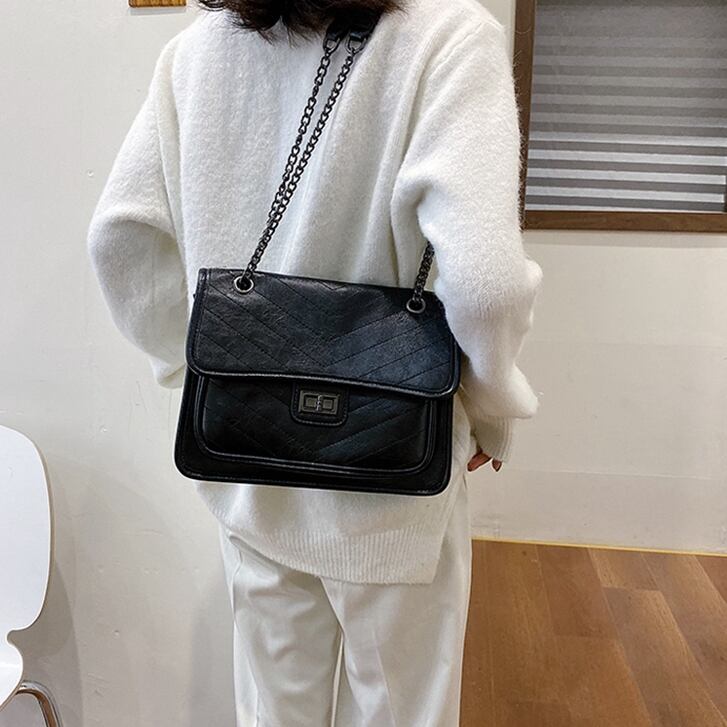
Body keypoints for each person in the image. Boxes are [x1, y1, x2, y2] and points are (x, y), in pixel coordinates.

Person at [86, 0, 543, 723]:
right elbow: (486, 287)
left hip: (250, 468)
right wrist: (490, 413)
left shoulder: (197, 52)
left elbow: (120, 240)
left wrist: (198, 372)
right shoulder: (449, 37)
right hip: (395, 478)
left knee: (273, 712)